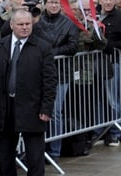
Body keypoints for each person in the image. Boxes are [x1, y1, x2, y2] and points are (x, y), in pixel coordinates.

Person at [0, 9, 57, 176]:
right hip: (5, 107)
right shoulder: (0, 46)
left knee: (35, 156)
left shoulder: (42, 47)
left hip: (32, 107)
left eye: (28, 24)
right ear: (12, 25)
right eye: (21, 24)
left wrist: (46, 108)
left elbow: (50, 81)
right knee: (6, 155)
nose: (25, 27)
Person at [34, 0, 78, 163]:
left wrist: (51, 53)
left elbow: (73, 47)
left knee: (55, 112)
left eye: (56, 2)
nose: (53, 5)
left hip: (61, 73)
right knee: (39, 110)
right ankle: (38, 149)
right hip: (39, 73)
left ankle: (54, 150)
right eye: (51, 2)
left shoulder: (68, 23)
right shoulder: (38, 21)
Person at [98, 0, 121, 147]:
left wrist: (109, 45)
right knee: (98, 99)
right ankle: (100, 131)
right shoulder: (93, 15)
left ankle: (115, 133)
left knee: (112, 98)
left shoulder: (120, 18)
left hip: (112, 62)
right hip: (95, 63)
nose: (108, 2)